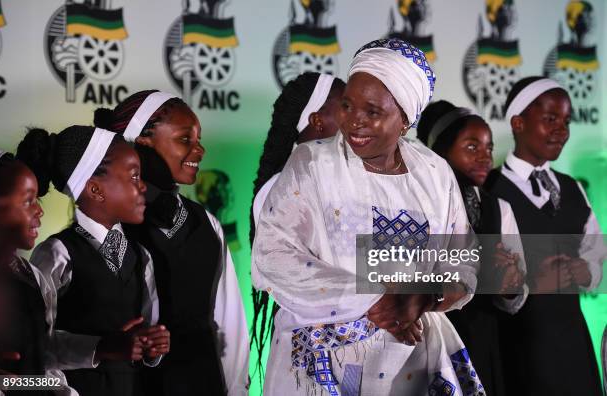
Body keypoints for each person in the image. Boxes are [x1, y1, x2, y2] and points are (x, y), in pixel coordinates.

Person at [252, 38, 483, 396]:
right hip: (323, 362)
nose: (354, 121)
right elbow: (271, 258)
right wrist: (373, 300)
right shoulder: (312, 164)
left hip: (412, 363)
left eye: (372, 111)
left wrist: (424, 298)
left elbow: (464, 262)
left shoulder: (435, 174)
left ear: (405, 118)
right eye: (347, 105)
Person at [94, 91, 249, 395]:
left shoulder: (206, 224)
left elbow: (229, 324)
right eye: (185, 139)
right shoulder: (106, 224)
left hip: (204, 383)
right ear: (143, 142)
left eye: (198, 139)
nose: (200, 150)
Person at [16, 127, 170, 396]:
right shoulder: (57, 253)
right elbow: (33, 347)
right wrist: (101, 346)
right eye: (134, 176)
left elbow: (144, 330)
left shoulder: (141, 256)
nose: (143, 186)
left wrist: (151, 345)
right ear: (96, 189)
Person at [484, 76, 605, 395]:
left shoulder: (572, 187)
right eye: (550, 119)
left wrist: (587, 270)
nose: (561, 130)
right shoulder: (489, 191)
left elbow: (598, 253)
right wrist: (530, 284)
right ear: (518, 122)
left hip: (574, 343)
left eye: (566, 121)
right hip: (518, 348)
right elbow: (477, 277)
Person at [417, 101, 527, 396]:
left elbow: (515, 295)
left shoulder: (500, 209)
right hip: (428, 338)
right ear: (441, 150)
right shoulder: (419, 204)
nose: (485, 157)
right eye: (471, 147)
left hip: (482, 342)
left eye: (489, 148)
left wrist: (511, 285)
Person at [249, 72, 345, 375]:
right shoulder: (281, 187)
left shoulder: (347, 182)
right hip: (309, 351)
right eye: (346, 107)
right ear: (317, 120)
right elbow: (291, 276)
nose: (358, 118)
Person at [0, 148, 76, 396]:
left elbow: (42, 367)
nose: (39, 211)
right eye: (28, 200)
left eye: (37, 201)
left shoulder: (31, 276)